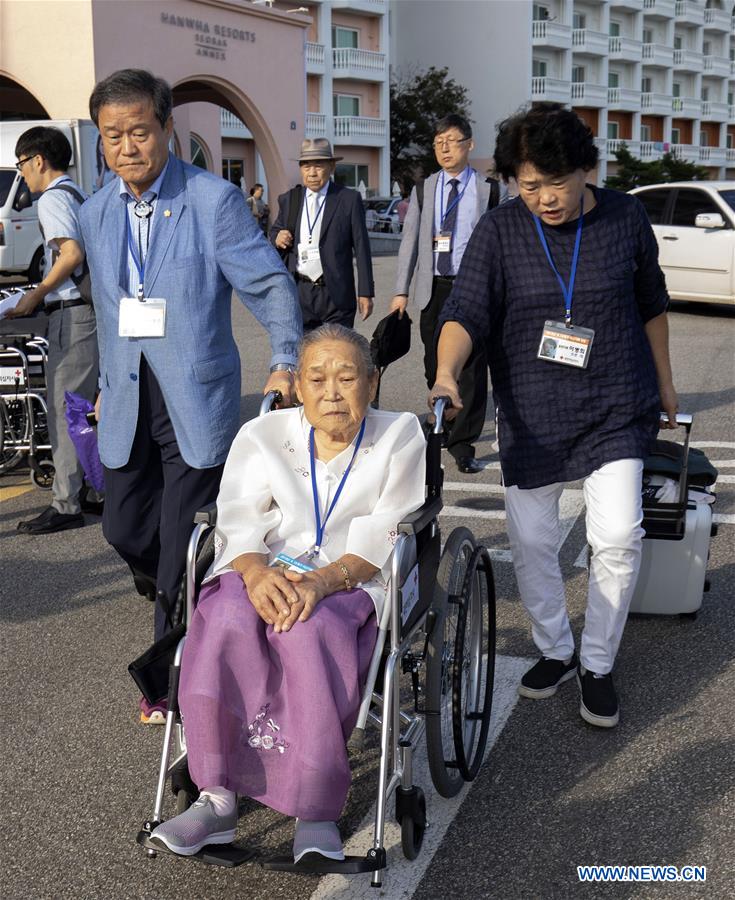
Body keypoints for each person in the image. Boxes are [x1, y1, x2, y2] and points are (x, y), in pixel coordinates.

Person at [430, 102, 678, 729]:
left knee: (618, 534)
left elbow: (652, 303)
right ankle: (555, 648)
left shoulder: (625, 218)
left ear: (586, 170)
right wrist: (445, 371)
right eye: (529, 184)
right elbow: (465, 311)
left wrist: (667, 384)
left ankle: (597, 661)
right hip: (533, 411)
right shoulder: (501, 229)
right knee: (534, 540)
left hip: (617, 403)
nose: (544, 197)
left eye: (557, 182)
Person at [149, 325, 426, 861]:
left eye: (347, 378)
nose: (332, 392)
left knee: (306, 632)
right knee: (226, 614)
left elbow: (387, 526)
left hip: (351, 576)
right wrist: (254, 574)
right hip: (266, 568)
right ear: (297, 385)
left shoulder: (400, 435)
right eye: (317, 378)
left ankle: (316, 807)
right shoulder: (263, 434)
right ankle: (217, 797)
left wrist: (322, 582)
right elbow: (237, 516)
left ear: (371, 382)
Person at [79, 69, 302, 723]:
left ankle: (168, 683)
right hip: (126, 398)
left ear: (166, 128)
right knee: (123, 529)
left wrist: (285, 360)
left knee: (181, 541)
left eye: (139, 132)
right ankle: (179, 588)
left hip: (196, 398)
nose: (127, 147)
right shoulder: (95, 214)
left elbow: (267, 284)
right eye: (112, 136)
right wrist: (98, 381)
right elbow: (104, 310)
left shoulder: (212, 201)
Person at [390, 114, 504, 475]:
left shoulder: (489, 189)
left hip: (471, 287)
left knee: (470, 368)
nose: (444, 148)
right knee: (435, 365)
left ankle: (463, 442)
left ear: (469, 145)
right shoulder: (424, 188)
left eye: (452, 141)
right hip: (433, 288)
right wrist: (400, 292)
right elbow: (409, 242)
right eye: (439, 141)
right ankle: (445, 419)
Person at [10, 126, 101, 534]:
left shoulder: (52, 200)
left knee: (67, 409)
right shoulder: (80, 194)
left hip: (75, 315)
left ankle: (67, 504)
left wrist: (37, 293)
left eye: (21, 165)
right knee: (89, 407)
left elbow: (71, 253)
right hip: (92, 313)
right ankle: (92, 490)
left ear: (38, 161)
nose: (22, 175)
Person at [271, 138, 374, 331]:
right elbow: (275, 231)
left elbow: (362, 248)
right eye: (306, 166)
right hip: (300, 292)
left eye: (318, 165)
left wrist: (366, 292)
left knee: (336, 354)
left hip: (336, 293)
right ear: (300, 168)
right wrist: (277, 237)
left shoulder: (348, 199)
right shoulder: (290, 200)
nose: (312, 173)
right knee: (306, 356)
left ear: (332, 166)